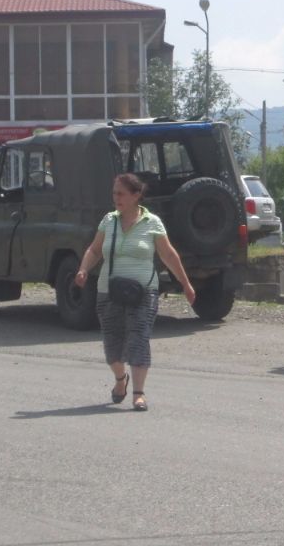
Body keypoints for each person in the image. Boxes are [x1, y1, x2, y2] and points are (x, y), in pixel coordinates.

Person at [74, 173, 197, 412]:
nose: (116, 198)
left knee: (139, 338)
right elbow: (95, 249)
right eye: (114, 193)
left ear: (136, 195)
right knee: (113, 344)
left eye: (121, 193)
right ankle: (121, 380)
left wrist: (185, 283)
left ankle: (139, 394)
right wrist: (83, 269)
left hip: (143, 292)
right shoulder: (108, 221)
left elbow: (168, 255)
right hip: (108, 291)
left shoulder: (152, 223)